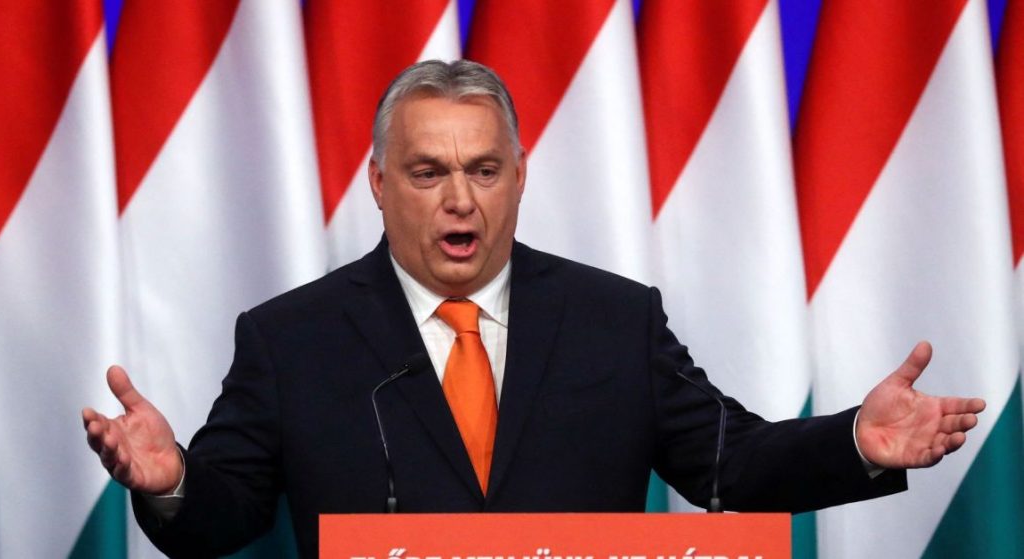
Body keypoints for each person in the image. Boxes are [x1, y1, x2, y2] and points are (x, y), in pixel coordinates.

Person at [82, 60, 986, 558]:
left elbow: (732, 464)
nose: (460, 199)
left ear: (519, 177)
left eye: (484, 170)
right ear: (380, 185)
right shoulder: (293, 338)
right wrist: (171, 480)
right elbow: (229, 512)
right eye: (428, 172)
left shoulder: (613, 320)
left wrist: (856, 441)